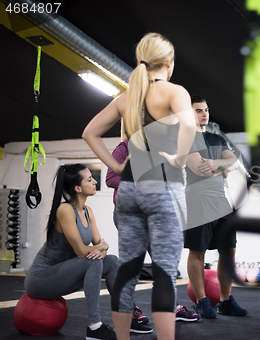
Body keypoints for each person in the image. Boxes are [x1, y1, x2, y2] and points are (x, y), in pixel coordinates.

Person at [83, 32, 197, 340]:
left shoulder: (127, 98)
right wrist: (178, 157)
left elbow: (89, 133)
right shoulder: (174, 92)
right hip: (162, 186)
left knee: (128, 271)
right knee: (163, 272)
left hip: (130, 189)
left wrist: (117, 165)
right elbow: (189, 125)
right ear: (169, 63)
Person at [106, 135, 200, 323]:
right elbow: (110, 178)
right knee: (131, 268)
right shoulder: (124, 148)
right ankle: (129, 312)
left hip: (156, 213)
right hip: (131, 214)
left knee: (163, 265)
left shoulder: (160, 148)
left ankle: (173, 307)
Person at [24, 164, 123, 340]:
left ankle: (125, 318)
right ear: (77, 188)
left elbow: (102, 247)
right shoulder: (64, 210)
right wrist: (100, 248)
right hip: (40, 279)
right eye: (90, 179)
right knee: (93, 260)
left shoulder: (88, 212)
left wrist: (101, 249)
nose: (94, 182)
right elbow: (82, 251)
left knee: (113, 261)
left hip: (65, 274)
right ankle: (94, 326)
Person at [184, 94, 247, 319]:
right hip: (197, 198)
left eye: (206, 109)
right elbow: (199, 169)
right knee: (198, 251)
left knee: (229, 249)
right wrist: (220, 165)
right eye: (198, 110)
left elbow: (233, 163)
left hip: (220, 199)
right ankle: (201, 302)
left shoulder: (216, 138)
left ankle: (225, 300)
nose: (204, 114)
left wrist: (216, 164)